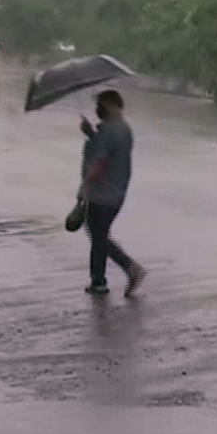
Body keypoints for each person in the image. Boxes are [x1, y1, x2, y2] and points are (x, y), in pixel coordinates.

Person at [77, 90, 146, 297]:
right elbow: (107, 150)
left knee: (98, 234)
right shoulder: (121, 128)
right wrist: (91, 133)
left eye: (100, 103)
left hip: (103, 191)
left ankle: (131, 268)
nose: (98, 108)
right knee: (97, 232)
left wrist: (85, 186)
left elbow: (100, 161)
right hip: (115, 190)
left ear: (110, 104)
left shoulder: (110, 130)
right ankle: (98, 280)